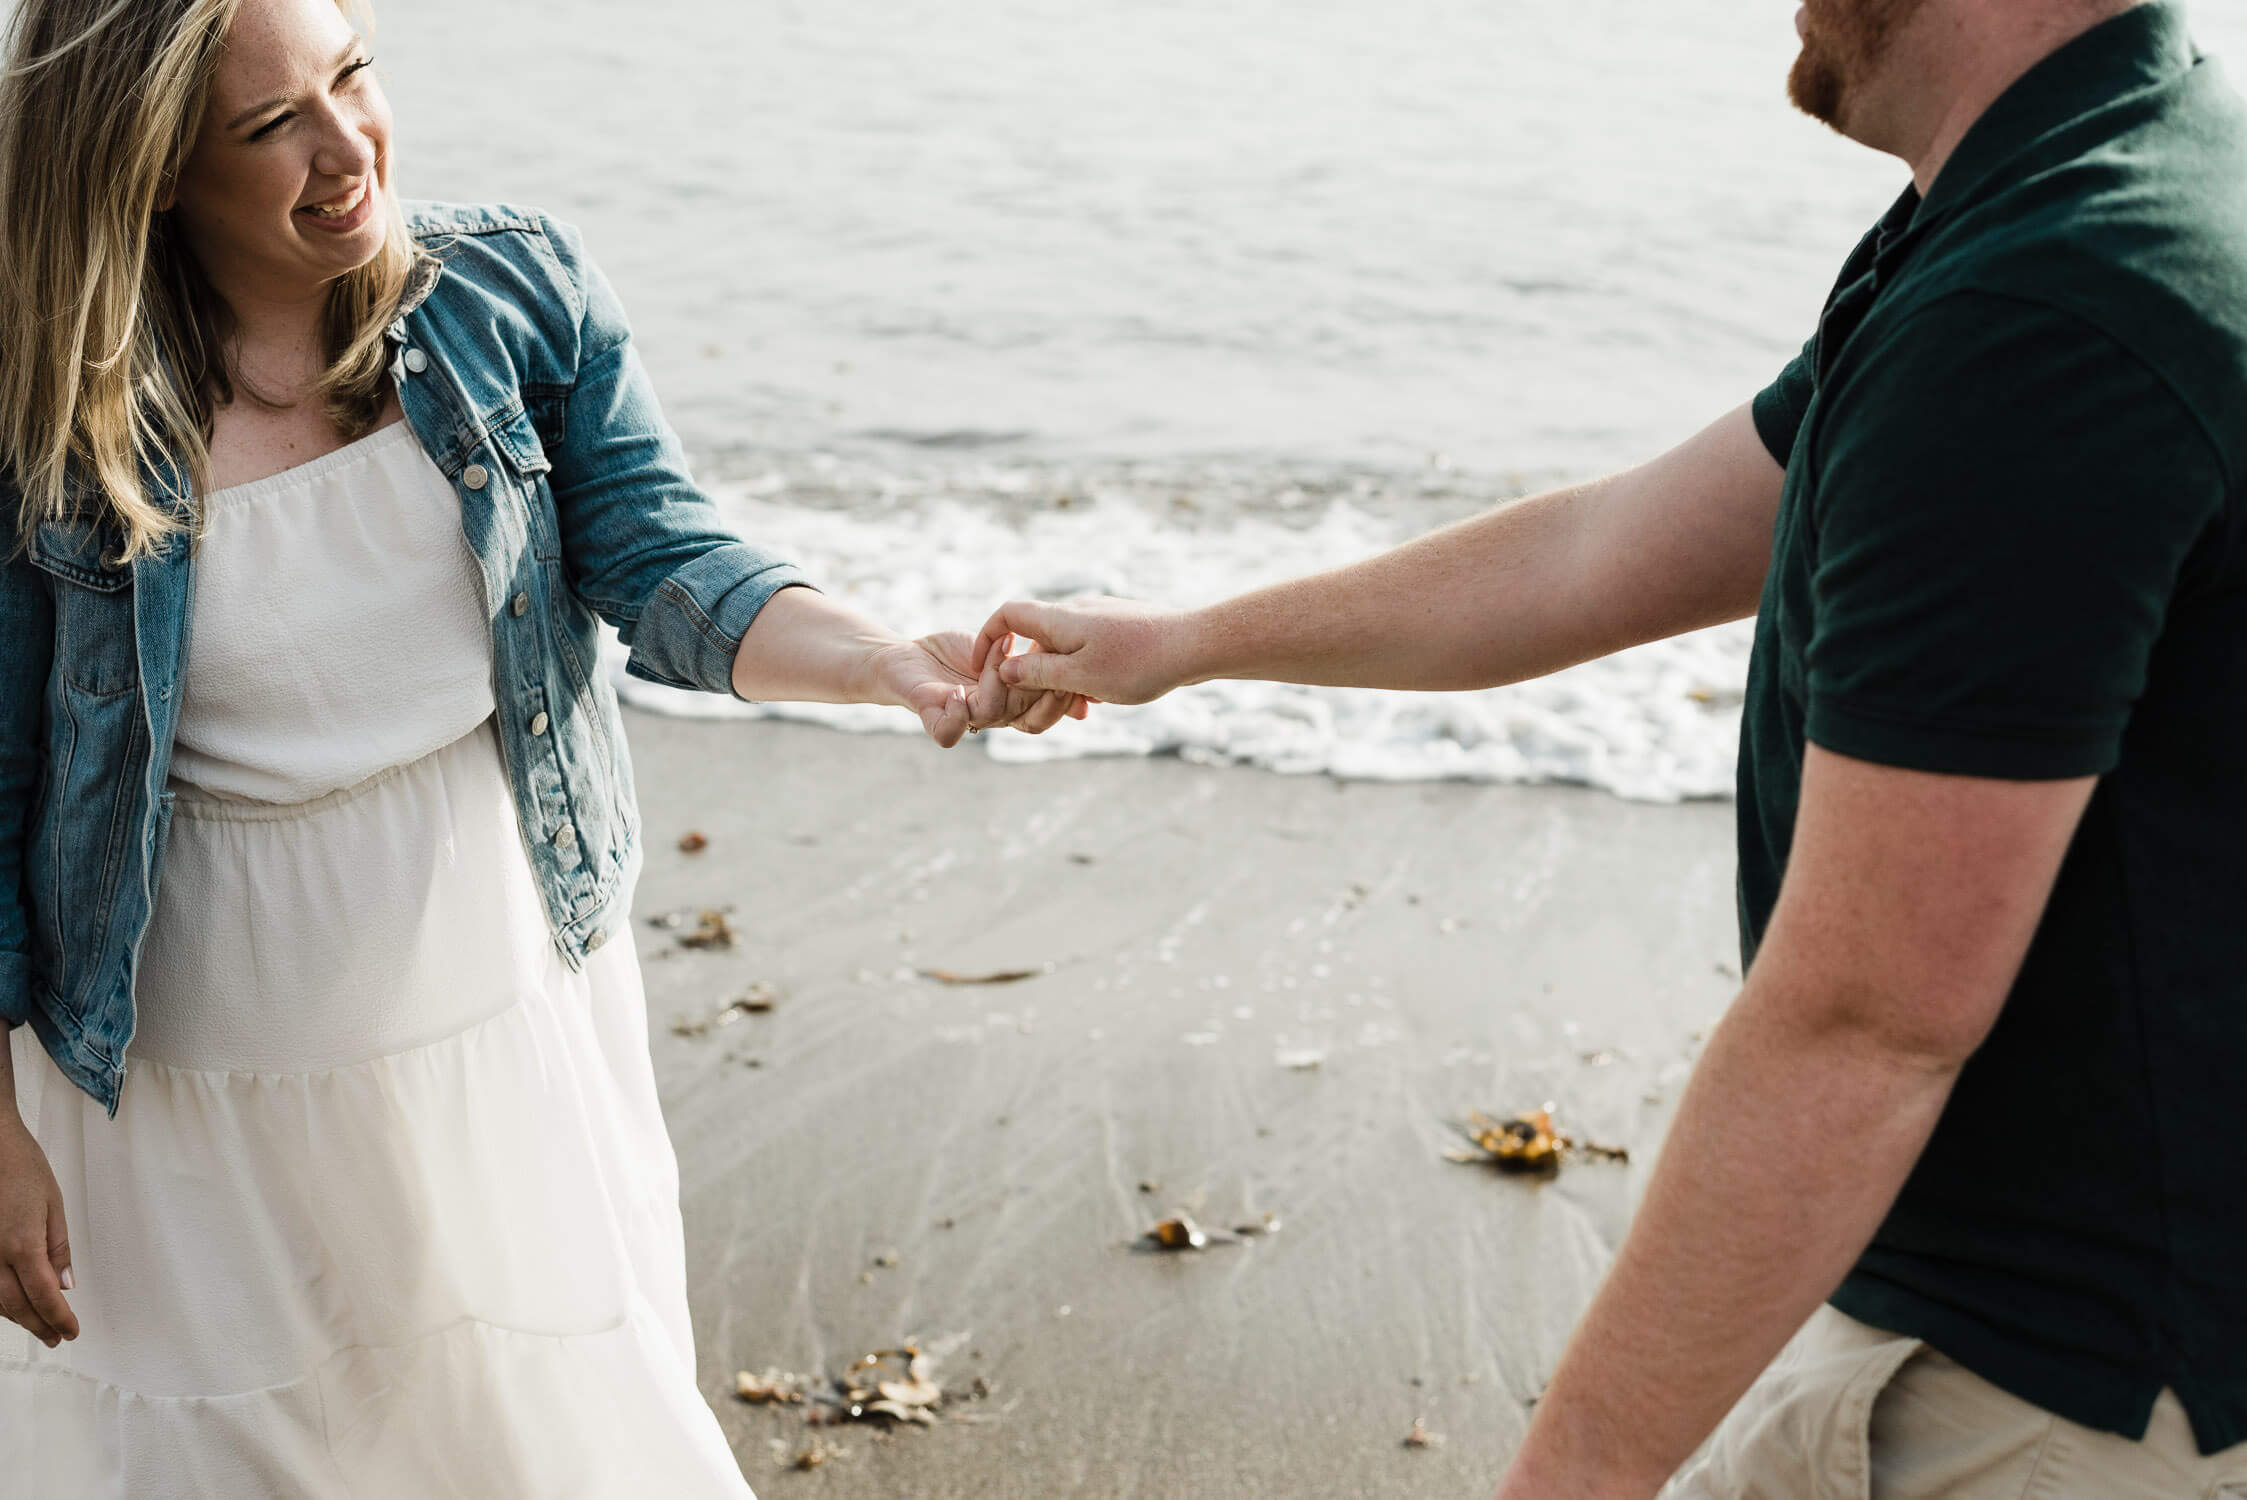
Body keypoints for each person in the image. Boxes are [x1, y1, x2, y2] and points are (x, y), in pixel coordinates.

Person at [975, 1, 2247, 1493]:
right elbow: (1606, 548)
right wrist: (1185, 642)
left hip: (2060, 1386)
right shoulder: (2104, 180)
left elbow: (1869, 1024)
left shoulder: (2042, 309)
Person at [0, 0, 1077, 1491]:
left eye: (353, 78)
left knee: (544, 1437)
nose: (344, 150)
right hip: (183, 1079)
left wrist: (891, 666)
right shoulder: (53, 404)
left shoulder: (503, 294)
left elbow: (657, 555)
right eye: (271, 127)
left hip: (499, 1002)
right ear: (153, 168)